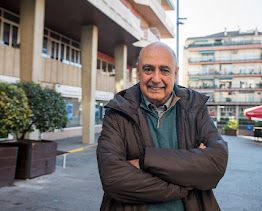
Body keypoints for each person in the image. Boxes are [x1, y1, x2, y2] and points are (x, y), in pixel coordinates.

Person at [97, 42, 228, 211]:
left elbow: (216, 163)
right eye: (148, 69)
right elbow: (112, 178)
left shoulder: (195, 106)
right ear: (138, 71)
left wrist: (144, 162)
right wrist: (185, 185)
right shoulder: (117, 110)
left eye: (164, 70)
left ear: (175, 73)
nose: (156, 78)